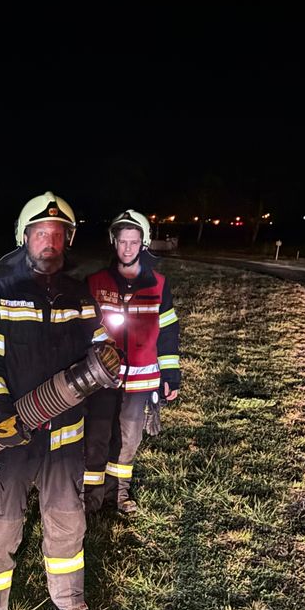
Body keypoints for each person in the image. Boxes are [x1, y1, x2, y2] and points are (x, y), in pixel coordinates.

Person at [0, 191, 116, 610]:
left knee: (68, 527)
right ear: (24, 237)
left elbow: (102, 347)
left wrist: (110, 357)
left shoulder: (78, 295)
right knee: (1, 529)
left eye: (58, 234)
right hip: (11, 437)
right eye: (40, 233)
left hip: (65, 438)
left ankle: (69, 603)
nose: (49, 241)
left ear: (66, 240)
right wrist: (0, 413)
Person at [84, 210, 180, 514]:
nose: (127, 248)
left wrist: (171, 375)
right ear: (114, 242)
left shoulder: (159, 285)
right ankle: (90, 499)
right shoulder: (95, 282)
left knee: (128, 439)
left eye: (133, 242)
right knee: (97, 437)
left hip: (142, 380)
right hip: (102, 378)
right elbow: (83, 328)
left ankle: (119, 496)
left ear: (144, 243)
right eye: (122, 242)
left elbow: (167, 332)